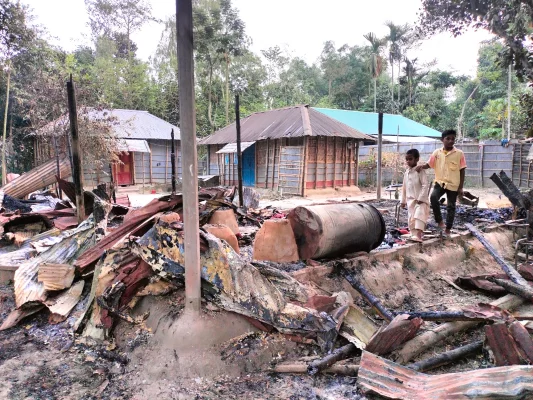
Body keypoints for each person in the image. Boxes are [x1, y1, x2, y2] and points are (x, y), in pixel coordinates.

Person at [415, 129, 467, 236]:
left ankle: (448, 229)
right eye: (448, 139)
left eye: (453, 139)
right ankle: (440, 222)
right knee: (433, 197)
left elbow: (462, 170)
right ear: (442, 140)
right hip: (440, 182)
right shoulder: (437, 153)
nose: (451, 141)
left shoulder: (459, 154)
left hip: (453, 184)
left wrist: (460, 187)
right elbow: (429, 164)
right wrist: (421, 167)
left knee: (451, 206)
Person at [400, 149, 430, 242]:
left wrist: (421, 198)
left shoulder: (420, 171)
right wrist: (403, 201)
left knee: (419, 216)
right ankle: (413, 234)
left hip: (420, 200)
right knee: (411, 217)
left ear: (417, 159)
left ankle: (419, 235)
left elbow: (425, 185)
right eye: (407, 159)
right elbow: (404, 188)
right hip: (410, 200)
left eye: (410, 159)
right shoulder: (406, 173)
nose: (408, 161)